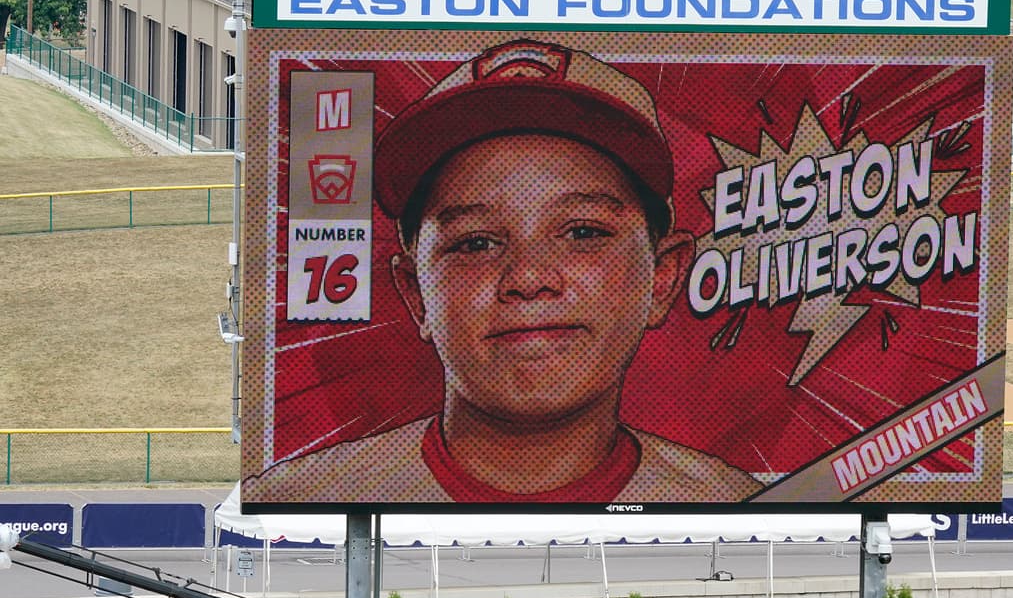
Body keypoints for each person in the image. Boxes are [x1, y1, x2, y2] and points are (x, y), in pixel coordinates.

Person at [243, 39, 763, 504]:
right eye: (476, 243)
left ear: (662, 278)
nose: (529, 277)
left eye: (583, 232)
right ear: (416, 295)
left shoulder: (741, 504)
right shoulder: (302, 497)